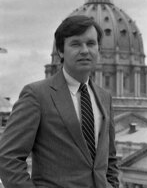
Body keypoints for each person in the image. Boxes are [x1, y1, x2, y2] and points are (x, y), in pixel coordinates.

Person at [0, 15, 119, 188]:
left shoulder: (104, 97)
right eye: (76, 44)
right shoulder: (36, 95)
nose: (85, 50)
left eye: (91, 44)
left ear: (98, 49)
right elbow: (8, 157)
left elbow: (110, 158)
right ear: (61, 51)